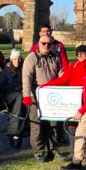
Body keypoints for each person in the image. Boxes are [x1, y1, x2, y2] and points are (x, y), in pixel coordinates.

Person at [41, 45, 86, 162]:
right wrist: (47, 85)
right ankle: (73, 153)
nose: (80, 55)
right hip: (72, 102)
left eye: (83, 53)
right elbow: (64, 79)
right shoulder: (73, 65)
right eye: (78, 53)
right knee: (72, 128)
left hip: (85, 101)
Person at [22, 34, 66, 162]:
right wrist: (26, 94)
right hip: (36, 94)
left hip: (52, 94)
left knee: (53, 124)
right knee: (37, 125)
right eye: (44, 43)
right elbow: (27, 76)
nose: (46, 46)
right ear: (39, 44)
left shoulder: (55, 57)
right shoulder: (32, 57)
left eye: (49, 44)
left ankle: (53, 149)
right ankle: (39, 151)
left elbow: (61, 74)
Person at [0, 49, 26, 148]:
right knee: (19, 97)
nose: (17, 61)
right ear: (11, 60)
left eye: (19, 59)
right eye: (15, 59)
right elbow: (1, 86)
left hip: (22, 95)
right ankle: (14, 130)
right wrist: (14, 87)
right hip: (9, 96)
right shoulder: (6, 71)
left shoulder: (24, 70)